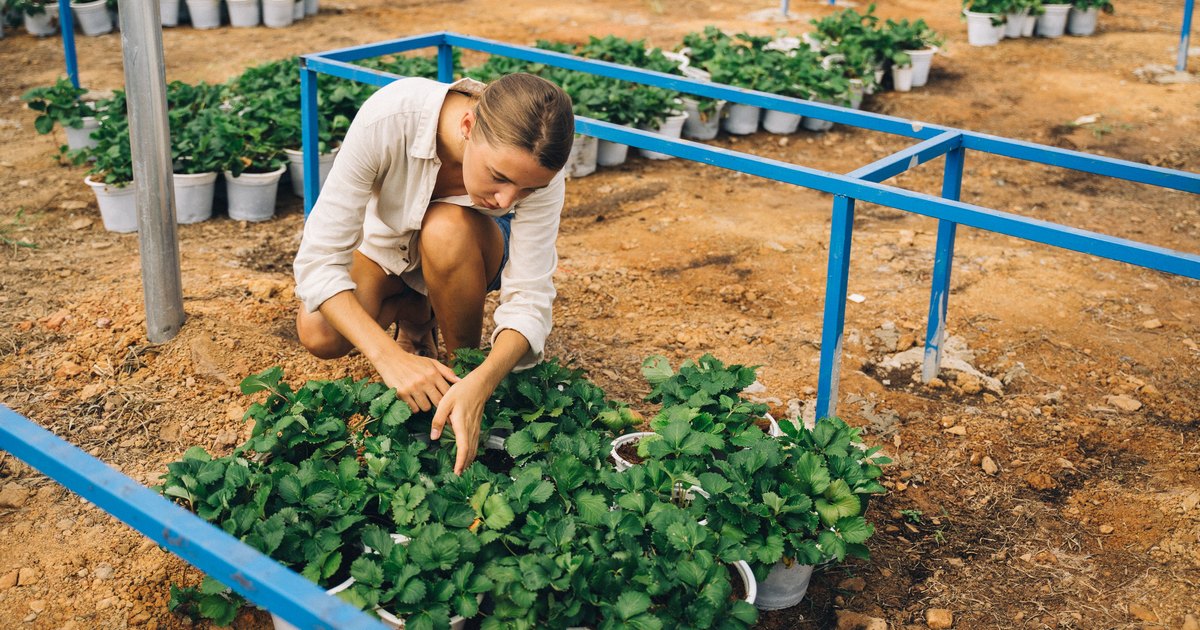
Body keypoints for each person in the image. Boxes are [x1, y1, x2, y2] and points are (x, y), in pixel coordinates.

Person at [293, 72, 574, 474]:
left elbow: (529, 298)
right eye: (499, 177)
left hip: (471, 249)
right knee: (320, 331)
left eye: (527, 191)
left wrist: (483, 379)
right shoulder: (389, 119)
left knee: (446, 228)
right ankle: (417, 312)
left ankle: (458, 374)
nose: (507, 200)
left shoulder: (541, 166)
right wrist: (390, 359)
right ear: (467, 126)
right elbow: (318, 261)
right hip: (389, 246)